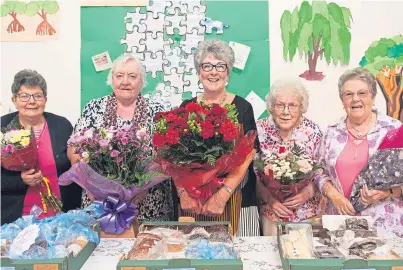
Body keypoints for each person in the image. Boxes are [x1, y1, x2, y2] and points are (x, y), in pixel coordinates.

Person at [69, 53, 175, 222]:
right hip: (99, 202)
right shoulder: (93, 107)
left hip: (148, 203)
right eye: (119, 76)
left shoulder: (158, 111)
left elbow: (167, 153)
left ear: (142, 82)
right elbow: (74, 148)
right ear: (112, 79)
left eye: (132, 76)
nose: (125, 81)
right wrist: (88, 182)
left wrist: (143, 185)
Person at [176, 39, 260, 236]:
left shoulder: (243, 107)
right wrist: (183, 193)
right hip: (195, 205)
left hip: (237, 202)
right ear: (199, 72)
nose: (213, 72)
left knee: (243, 260)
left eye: (220, 66)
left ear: (228, 72)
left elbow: (248, 156)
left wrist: (223, 195)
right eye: (207, 66)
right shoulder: (186, 107)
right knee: (197, 259)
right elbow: (174, 158)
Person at [315, 67, 403, 231]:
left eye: (362, 93)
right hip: (339, 224)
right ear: (342, 100)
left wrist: (388, 191)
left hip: (383, 225)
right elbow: (318, 171)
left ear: (373, 97)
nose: (355, 99)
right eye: (348, 94)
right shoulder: (332, 131)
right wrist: (334, 196)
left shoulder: (394, 131)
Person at [1, 69, 81, 224]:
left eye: (37, 96)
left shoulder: (61, 125)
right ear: (14, 100)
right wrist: (20, 180)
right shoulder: (2, 128)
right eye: (24, 96)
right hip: (13, 219)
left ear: (45, 99)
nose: (32, 101)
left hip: (59, 217)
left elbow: (73, 168)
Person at [256, 79, 323, 235]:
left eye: (292, 105)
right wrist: (270, 200)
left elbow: (322, 173)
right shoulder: (259, 130)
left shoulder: (313, 132)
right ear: (271, 108)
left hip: (307, 213)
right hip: (271, 212)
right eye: (280, 105)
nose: (286, 111)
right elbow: (253, 176)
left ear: (302, 108)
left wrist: (306, 193)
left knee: (304, 256)